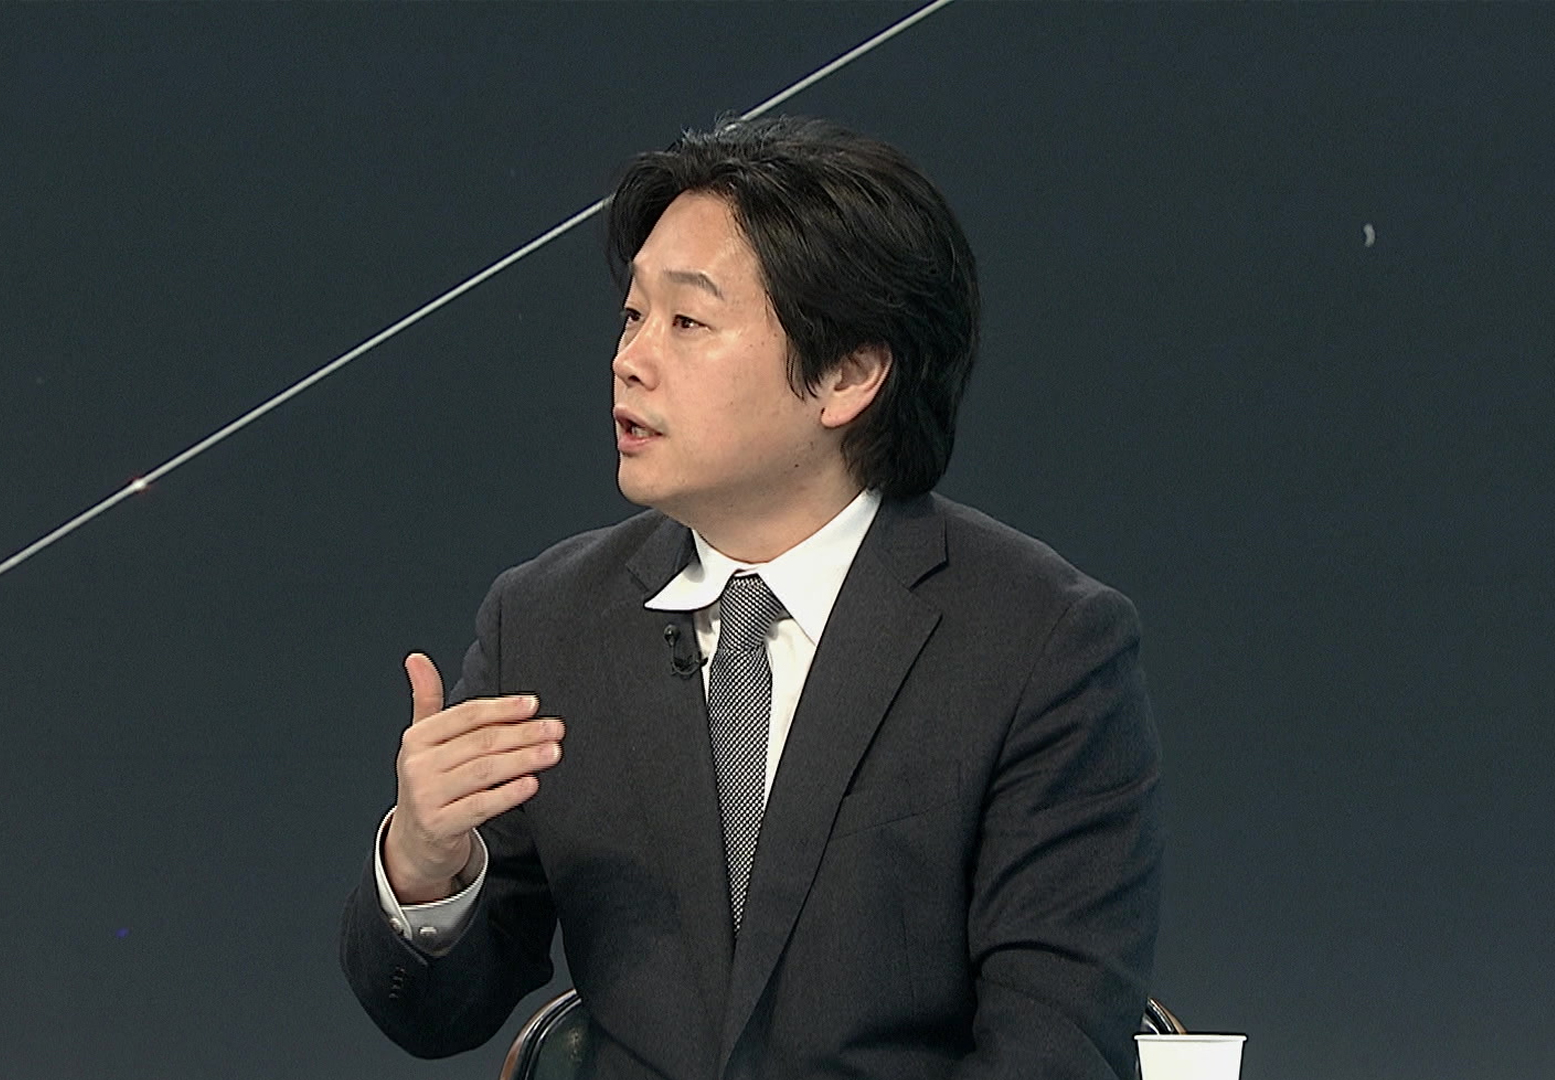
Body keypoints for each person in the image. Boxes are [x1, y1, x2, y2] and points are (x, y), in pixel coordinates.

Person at [340, 116, 1162, 1080]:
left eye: (687, 323)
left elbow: (1054, 1044)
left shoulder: (1041, 643)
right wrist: (424, 866)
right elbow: (440, 1014)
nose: (630, 359)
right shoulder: (548, 621)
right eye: (633, 316)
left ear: (847, 375)